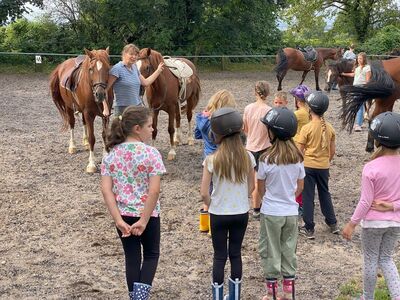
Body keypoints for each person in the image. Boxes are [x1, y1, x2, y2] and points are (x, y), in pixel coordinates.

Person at [101, 106, 166, 300]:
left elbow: (106, 190)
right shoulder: (151, 154)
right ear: (138, 128)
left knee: (131, 258)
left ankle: (135, 298)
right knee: (152, 255)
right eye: (150, 125)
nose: (152, 129)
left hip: (124, 215)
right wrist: (144, 220)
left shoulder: (111, 154)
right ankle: (140, 298)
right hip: (148, 215)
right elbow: (154, 190)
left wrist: (117, 219)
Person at [343, 112, 400, 300]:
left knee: (370, 260)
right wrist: (392, 206)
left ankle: (367, 297)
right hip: (394, 223)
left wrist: (352, 223)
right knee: (386, 259)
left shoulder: (371, 167)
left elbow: (366, 201)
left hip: (373, 223)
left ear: (377, 140)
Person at [200, 107, 255, 300]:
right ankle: (235, 296)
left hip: (218, 213)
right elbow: (252, 186)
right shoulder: (248, 157)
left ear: (217, 134)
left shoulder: (212, 159)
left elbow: (203, 192)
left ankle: (217, 296)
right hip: (241, 212)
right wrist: (242, 198)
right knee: (236, 254)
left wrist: (211, 202)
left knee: (219, 256)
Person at [258, 107, 305, 300]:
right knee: (288, 250)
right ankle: (288, 293)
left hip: (271, 211)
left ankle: (272, 294)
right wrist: (289, 199)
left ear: (273, 132)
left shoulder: (266, 159)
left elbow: (259, 189)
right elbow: (300, 187)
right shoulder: (298, 158)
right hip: (291, 212)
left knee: (270, 250)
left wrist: (269, 199)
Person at [297, 91, 339, 239]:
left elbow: (299, 151)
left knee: (308, 196)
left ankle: (309, 227)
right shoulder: (329, 128)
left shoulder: (306, 128)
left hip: (308, 166)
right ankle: (332, 223)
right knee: (325, 194)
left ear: (310, 108)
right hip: (323, 166)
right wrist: (325, 161)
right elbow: (332, 151)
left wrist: (304, 161)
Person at [195, 90, 237, 233]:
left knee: (208, 189)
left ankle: (204, 224)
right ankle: (214, 226)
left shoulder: (202, 118)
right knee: (220, 190)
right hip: (223, 156)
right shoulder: (225, 121)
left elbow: (197, 134)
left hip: (207, 157)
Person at [102, 44, 165, 117]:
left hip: (137, 107)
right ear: (124, 54)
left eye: (136, 55)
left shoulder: (134, 68)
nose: (134, 57)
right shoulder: (117, 69)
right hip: (123, 109)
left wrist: (158, 71)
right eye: (131, 54)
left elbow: (146, 82)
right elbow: (105, 90)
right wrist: (105, 107)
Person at [243, 81, 272, 219]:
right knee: (263, 179)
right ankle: (263, 205)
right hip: (265, 147)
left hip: (250, 147)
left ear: (255, 92)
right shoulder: (269, 110)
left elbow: (245, 129)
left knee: (253, 179)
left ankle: (255, 207)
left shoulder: (248, 108)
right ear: (268, 93)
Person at [289, 84, 311, 216]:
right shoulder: (309, 112)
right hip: (307, 147)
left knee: (295, 177)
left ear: (297, 100)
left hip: (297, 145)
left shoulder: (297, 114)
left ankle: (298, 203)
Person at [341, 52, 371, 132]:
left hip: (361, 88)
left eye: (360, 58)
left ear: (364, 59)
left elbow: (367, 80)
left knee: (359, 106)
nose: (359, 60)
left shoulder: (367, 68)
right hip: (355, 88)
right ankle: (359, 123)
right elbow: (353, 75)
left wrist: (365, 90)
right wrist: (344, 74)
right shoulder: (357, 67)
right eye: (358, 58)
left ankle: (358, 125)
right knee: (358, 106)